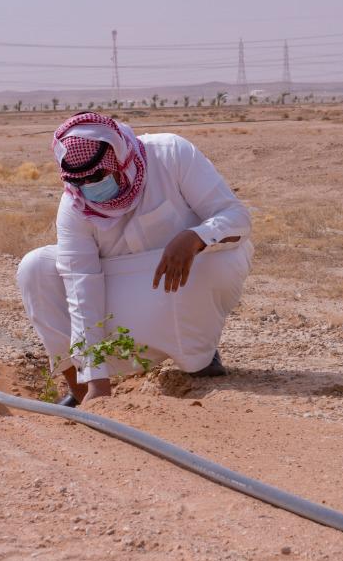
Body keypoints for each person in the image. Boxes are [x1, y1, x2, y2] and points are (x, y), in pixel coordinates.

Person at [17, 112, 252, 406]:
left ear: (119, 156)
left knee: (218, 261)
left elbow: (237, 218)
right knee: (35, 267)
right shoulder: (75, 205)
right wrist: (97, 386)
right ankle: (79, 391)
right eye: (81, 181)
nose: (90, 186)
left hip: (181, 277)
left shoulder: (170, 155)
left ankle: (197, 356)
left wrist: (196, 237)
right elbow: (81, 287)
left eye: (98, 176)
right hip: (116, 289)